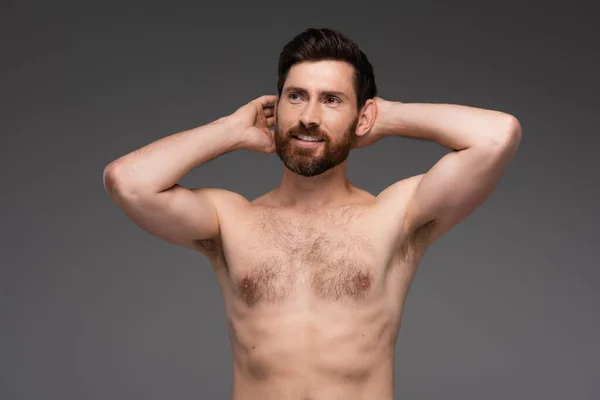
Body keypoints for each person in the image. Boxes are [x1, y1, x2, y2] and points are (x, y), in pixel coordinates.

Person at [103, 28, 522, 400]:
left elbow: (497, 136)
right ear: (277, 106)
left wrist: (388, 117)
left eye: (332, 100)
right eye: (296, 96)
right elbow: (128, 181)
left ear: (362, 114)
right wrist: (227, 131)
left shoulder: (395, 215)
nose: (308, 116)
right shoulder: (230, 219)